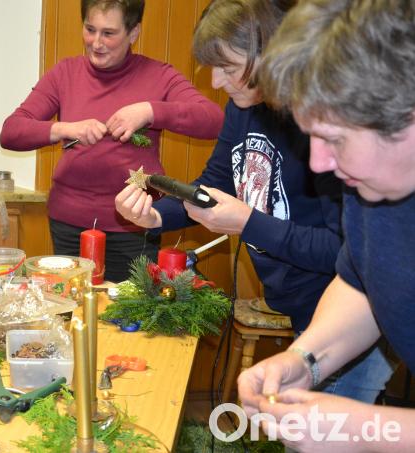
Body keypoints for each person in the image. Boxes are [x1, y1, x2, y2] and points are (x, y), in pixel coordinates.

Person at [115, 0, 393, 406]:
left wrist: (248, 222)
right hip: (304, 309)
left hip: (347, 320)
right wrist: (157, 213)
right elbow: (214, 184)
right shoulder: (243, 108)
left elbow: (344, 252)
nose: (215, 80)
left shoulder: (324, 119)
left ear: (272, 52)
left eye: (228, 67)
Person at [233, 0, 415, 450]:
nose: (320, 163)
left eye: (335, 139)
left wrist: (367, 431)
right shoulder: (371, 187)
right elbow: (361, 283)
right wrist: (304, 360)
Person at [0, 0, 224, 282]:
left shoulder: (160, 75)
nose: (96, 42)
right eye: (90, 29)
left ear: (134, 33)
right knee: (74, 310)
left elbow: (213, 119)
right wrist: (65, 129)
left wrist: (150, 111)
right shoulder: (65, 73)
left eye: (109, 33)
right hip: (69, 224)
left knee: (127, 317)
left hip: (136, 224)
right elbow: (11, 132)